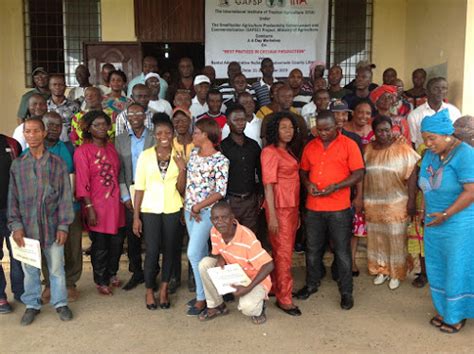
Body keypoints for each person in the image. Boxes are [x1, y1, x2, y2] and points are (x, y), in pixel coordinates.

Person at [8, 117, 74, 326]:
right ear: (24, 135)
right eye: (28, 131)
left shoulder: (56, 163)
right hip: (27, 228)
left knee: (56, 268)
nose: (32, 135)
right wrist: (16, 226)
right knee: (30, 270)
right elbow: (13, 199)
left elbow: (65, 195)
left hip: (53, 226)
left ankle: (60, 302)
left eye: (36, 131)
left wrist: (64, 225)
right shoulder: (18, 166)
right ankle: (32, 304)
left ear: (44, 133)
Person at [295, 110, 364, 310]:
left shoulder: (349, 145)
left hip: (339, 208)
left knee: (342, 251)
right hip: (314, 207)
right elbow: (303, 171)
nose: (322, 133)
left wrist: (338, 186)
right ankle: (311, 283)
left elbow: (359, 172)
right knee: (313, 249)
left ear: (336, 127)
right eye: (320, 129)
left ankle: (346, 291)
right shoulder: (310, 145)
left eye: (327, 129)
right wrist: (307, 184)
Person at [418, 109, 474, 334]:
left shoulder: (465, 153)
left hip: (457, 222)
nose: (428, 143)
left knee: (457, 267)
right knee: (436, 266)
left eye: (432, 138)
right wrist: (425, 210)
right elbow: (427, 184)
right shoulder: (431, 154)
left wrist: (446, 214)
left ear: (447, 135)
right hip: (434, 221)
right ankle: (444, 309)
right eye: (424, 139)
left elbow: (471, 191)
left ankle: (456, 314)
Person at [26, 113, 82, 303]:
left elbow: (76, 174)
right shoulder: (28, 153)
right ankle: (49, 284)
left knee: (72, 246)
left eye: (59, 125)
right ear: (42, 129)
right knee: (45, 247)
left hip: (68, 206)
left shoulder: (68, 148)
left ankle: (71, 283)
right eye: (50, 125)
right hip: (41, 212)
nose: (55, 128)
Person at [132, 114, 187, 309]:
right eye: (159, 133)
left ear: (172, 134)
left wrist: (182, 170)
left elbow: (182, 190)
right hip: (150, 209)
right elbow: (139, 187)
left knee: (171, 250)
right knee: (153, 251)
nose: (164, 135)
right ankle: (149, 290)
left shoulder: (178, 156)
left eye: (167, 132)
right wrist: (136, 217)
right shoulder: (146, 156)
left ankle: (163, 289)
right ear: (154, 135)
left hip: (172, 208)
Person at [363, 115, 420, 290]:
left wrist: (411, 201)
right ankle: (381, 269)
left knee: (395, 238)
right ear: (374, 132)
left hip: (396, 202)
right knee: (377, 238)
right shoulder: (368, 149)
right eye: (380, 130)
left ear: (392, 130)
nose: (384, 134)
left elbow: (412, 174)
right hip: (373, 202)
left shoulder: (402, 148)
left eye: (387, 130)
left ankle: (396, 272)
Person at [74, 110, 125, 296]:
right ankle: (101, 280)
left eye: (104, 124)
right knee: (100, 246)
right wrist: (89, 208)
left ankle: (112, 273)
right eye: (97, 125)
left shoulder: (112, 148)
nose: (102, 128)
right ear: (88, 128)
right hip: (97, 205)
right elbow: (82, 181)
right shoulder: (82, 151)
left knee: (117, 242)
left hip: (116, 204)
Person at [198, 202, 274, 324]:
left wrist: (247, 288)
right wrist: (220, 258)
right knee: (205, 264)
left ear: (233, 218)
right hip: (235, 273)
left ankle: (260, 307)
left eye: (225, 217)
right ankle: (217, 306)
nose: (220, 221)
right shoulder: (214, 231)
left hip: (254, 279)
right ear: (211, 220)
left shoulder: (247, 237)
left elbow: (269, 265)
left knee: (248, 308)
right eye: (216, 218)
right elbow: (218, 252)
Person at [184, 118, 229, 316]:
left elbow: (220, 192)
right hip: (189, 211)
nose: (193, 135)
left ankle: (204, 298)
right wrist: (189, 208)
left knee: (193, 254)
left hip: (205, 213)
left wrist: (198, 207)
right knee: (200, 254)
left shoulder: (221, 160)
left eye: (196, 132)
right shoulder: (193, 154)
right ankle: (208, 295)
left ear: (206, 135)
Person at [261, 112, 301, 316]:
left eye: (291, 127)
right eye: (283, 127)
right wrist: (273, 216)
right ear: (274, 130)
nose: (288, 131)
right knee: (284, 254)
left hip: (291, 207)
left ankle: (278, 287)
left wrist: (297, 212)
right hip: (280, 208)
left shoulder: (289, 150)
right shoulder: (270, 152)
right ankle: (285, 299)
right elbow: (268, 186)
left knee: (282, 252)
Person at [115, 103, 156, 291]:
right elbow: (120, 170)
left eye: (139, 113)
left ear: (145, 115)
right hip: (130, 191)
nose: (135, 116)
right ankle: (136, 272)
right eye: (131, 113)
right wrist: (125, 197)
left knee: (152, 236)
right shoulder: (121, 139)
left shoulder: (155, 136)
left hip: (152, 191)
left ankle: (152, 273)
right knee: (133, 236)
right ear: (127, 117)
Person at [221, 104, 262, 233]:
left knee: (250, 237)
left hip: (250, 200)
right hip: (230, 200)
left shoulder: (253, 145)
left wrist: (260, 194)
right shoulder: (222, 147)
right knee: (231, 237)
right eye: (236, 120)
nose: (240, 123)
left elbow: (260, 172)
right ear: (228, 122)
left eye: (243, 120)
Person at [0, 134, 23, 314]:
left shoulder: (12, 144)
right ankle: (1, 296)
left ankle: (21, 291)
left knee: (18, 252)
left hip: (12, 209)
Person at [408, 77, 461, 149]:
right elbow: (412, 141)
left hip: (449, 156)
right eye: (436, 88)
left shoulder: (454, 112)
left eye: (444, 88)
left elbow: (458, 137)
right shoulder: (415, 115)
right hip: (424, 156)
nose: (440, 91)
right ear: (427, 92)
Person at [260, 85, 309, 157]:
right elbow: (265, 143)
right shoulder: (268, 119)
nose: (287, 99)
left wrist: (299, 160)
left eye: (290, 96)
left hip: (295, 161)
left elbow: (304, 141)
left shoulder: (299, 119)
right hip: (274, 160)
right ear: (277, 98)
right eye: (283, 96)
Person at [47, 75, 80, 142]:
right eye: (54, 84)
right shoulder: (44, 106)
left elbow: (78, 127)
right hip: (48, 145)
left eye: (60, 84)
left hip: (69, 145)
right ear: (49, 86)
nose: (57, 87)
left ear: (65, 87)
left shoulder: (74, 106)